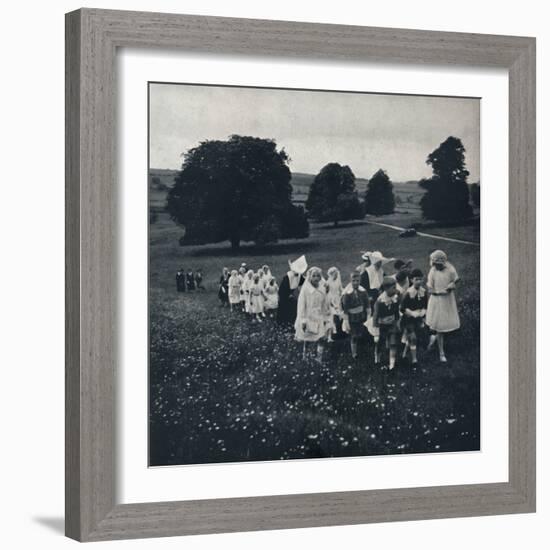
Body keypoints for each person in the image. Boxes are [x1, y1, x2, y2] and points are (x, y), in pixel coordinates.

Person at [426, 250, 460, 363]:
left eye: (438, 264)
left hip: (447, 300)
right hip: (437, 300)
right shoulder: (433, 271)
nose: (436, 266)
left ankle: (433, 340)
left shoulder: (450, 268)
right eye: (434, 264)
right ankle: (441, 353)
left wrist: (451, 285)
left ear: (443, 262)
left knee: (444, 325)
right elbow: (429, 286)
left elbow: (456, 279)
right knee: (439, 327)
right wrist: (434, 291)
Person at [294, 266, 331, 363]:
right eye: (313, 276)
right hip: (308, 316)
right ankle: (305, 356)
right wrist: (303, 320)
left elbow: (324, 303)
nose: (315, 278)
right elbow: (301, 306)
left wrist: (326, 317)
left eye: (318, 276)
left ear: (320, 278)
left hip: (319, 316)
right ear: (309, 277)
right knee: (308, 338)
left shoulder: (322, 289)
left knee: (321, 337)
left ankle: (319, 358)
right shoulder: (306, 290)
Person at [370, 276, 401, 370]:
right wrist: (375, 331)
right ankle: (377, 358)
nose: (396, 289)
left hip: (392, 324)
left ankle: (392, 364)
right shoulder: (380, 301)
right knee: (380, 342)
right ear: (386, 289)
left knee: (393, 343)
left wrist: (397, 321)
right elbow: (375, 316)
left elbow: (396, 311)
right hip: (382, 325)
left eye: (395, 287)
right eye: (393, 288)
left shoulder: (395, 297)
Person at [400, 268, 428, 364]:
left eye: (420, 279)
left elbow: (426, 305)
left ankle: (404, 353)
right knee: (413, 337)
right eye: (416, 279)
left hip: (419, 318)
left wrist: (424, 312)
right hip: (408, 319)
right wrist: (412, 313)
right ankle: (414, 359)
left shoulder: (423, 291)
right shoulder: (408, 293)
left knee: (415, 337)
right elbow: (402, 308)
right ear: (412, 280)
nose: (419, 282)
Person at [341, 271, 370, 359]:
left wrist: (368, 315)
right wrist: (346, 321)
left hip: (361, 315)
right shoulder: (347, 294)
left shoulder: (363, 291)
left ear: (360, 281)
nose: (355, 283)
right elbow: (345, 308)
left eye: (357, 280)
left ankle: (361, 347)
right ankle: (354, 353)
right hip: (352, 317)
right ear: (350, 281)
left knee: (360, 333)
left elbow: (367, 304)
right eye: (353, 281)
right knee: (353, 335)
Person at [277, 255, 307, 327]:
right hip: (285, 293)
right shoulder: (288, 277)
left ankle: (291, 320)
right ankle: (282, 322)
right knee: (284, 307)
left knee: (293, 307)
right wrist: (288, 294)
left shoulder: (299, 276)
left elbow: (303, 281)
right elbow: (282, 289)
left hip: (292, 293)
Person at [326, 266, 344, 342]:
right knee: (331, 316)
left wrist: (343, 294)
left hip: (337, 299)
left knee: (340, 314)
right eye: (334, 274)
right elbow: (326, 292)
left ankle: (340, 332)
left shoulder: (338, 281)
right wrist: (330, 301)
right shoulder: (328, 282)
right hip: (330, 299)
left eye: (336, 274)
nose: (336, 275)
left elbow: (341, 289)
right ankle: (329, 336)